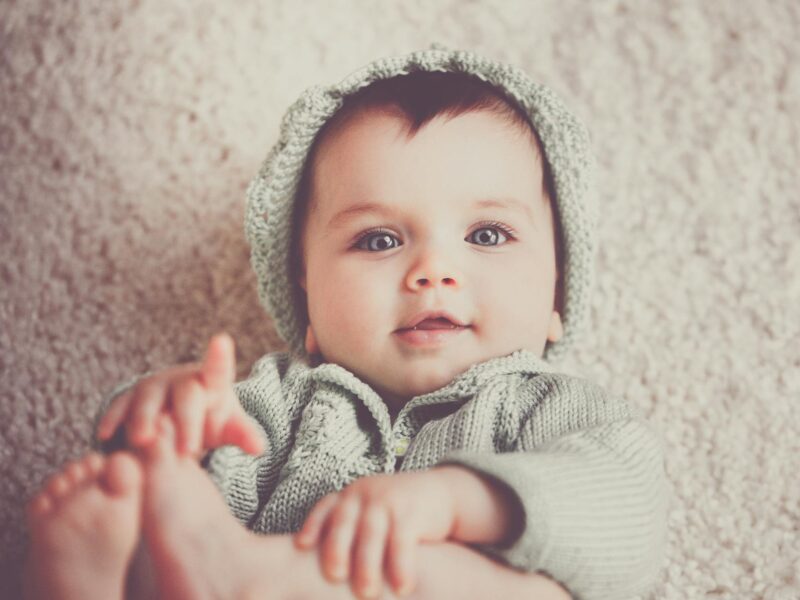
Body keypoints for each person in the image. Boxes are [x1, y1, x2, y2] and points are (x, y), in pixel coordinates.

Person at [23, 44, 669, 600]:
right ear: (307, 301)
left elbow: (628, 515)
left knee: (519, 590)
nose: (433, 271)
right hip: (223, 578)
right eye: (379, 241)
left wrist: (453, 500)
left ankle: (253, 574)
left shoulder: (549, 410)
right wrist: (166, 426)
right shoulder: (278, 407)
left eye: (488, 233)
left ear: (557, 295)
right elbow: (200, 503)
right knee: (158, 497)